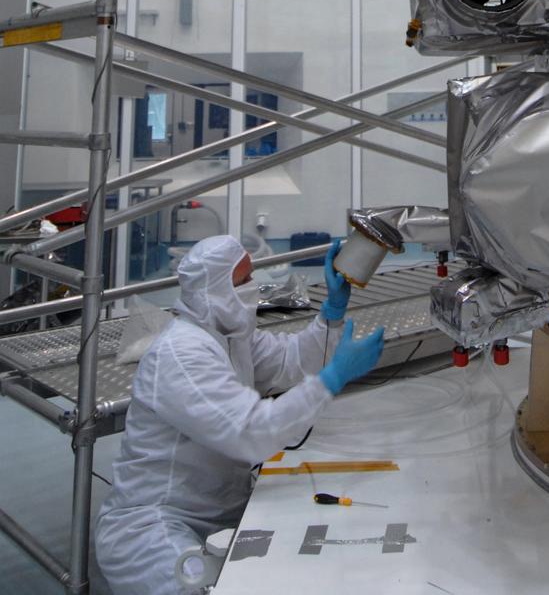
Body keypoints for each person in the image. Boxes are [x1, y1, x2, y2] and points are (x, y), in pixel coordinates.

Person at [94, 233, 384, 595]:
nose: (253, 288)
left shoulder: (230, 337)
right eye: (243, 281)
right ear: (211, 291)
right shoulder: (181, 354)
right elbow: (249, 434)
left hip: (225, 511)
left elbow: (291, 359)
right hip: (155, 526)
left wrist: (331, 315)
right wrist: (331, 380)